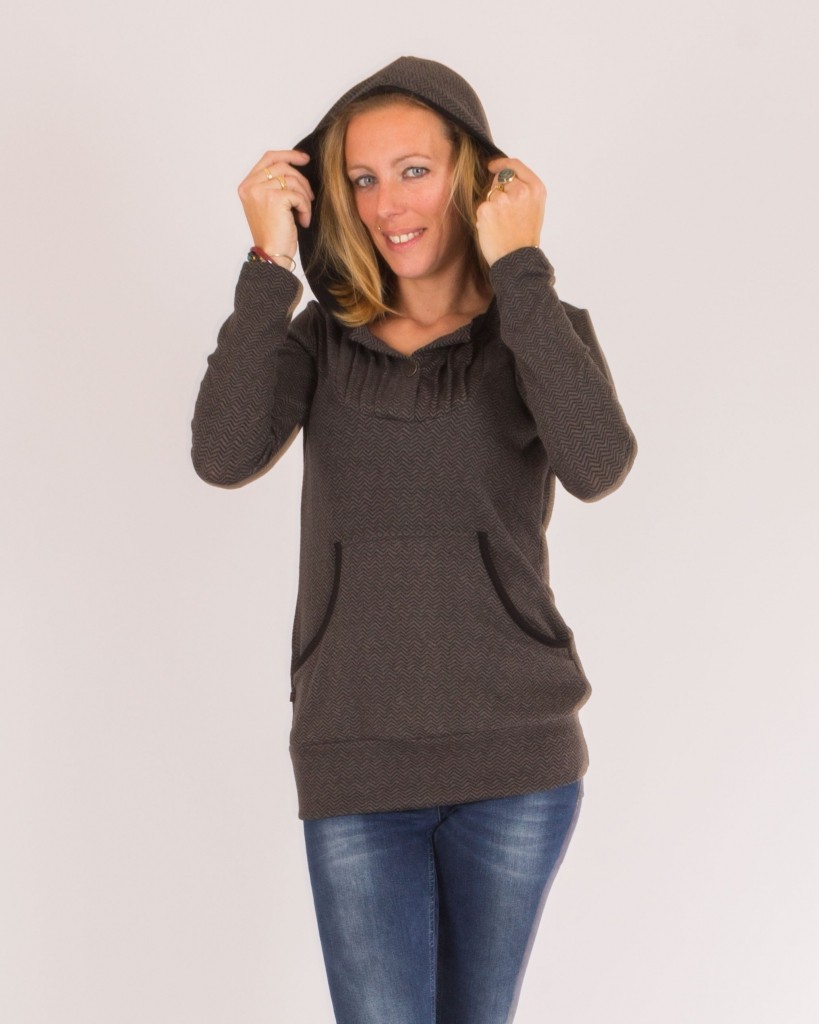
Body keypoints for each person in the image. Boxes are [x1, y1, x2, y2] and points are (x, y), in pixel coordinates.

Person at [191, 55, 637, 1024]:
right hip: (355, 762)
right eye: (361, 177)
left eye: (414, 171)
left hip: (515, 767)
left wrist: (521, 271)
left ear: (473, 175)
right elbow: (222, 456)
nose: (388, 203)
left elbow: (599, 463)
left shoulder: (538, 329)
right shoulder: (315, 344)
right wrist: (267, 267)